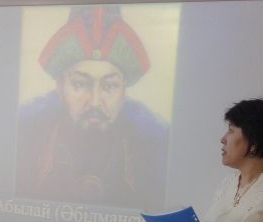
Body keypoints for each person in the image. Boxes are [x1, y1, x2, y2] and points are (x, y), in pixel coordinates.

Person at [14, 6, 169, 209]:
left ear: (124, 91)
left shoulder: (155, 143)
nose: (95, 102)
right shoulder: (25, 130)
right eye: (80, 84)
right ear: (60, 87)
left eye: (109, 86)